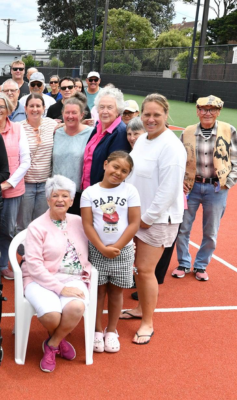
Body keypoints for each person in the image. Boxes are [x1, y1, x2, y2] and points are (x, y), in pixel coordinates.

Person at [121, 94, 186, 344]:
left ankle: (147, 322)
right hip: (138, 216)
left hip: (157, 219)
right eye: (146, 114)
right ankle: (139, 311)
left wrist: (147, 218)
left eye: (156, 115)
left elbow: (169, 190)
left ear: (166, 115)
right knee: (138, 267)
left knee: (146, 270)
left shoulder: (171, 146)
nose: (150, 119)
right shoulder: (143, 141)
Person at [21, 175, 92, 373]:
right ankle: (58, 341)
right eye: (55, 196)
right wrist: (61, 288)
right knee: (52, 316)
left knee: (76, 307)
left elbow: (100, 239)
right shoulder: (36, 227)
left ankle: (52, 344)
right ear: (48, 200)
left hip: (74, 276)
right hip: (40, 279)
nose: (60, 200)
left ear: (71, 200)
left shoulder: (79, 221)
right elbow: (34, 266)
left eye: (65, 196)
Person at [81, 151, 140, 353]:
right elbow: (87, 225)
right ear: (106, 164)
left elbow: (134, 223)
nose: (118, 173)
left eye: (125, 171)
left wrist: (118, 246)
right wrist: (101, 247)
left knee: (116, 292)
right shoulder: (89, 193)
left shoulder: (130, 191)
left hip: (122, 252)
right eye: (116, 167)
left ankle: (112, 330)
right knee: (97, 292)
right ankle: (97, 330)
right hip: (97, 251)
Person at [175, 95, 237, 281]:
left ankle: (201, 265)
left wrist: (228, 181)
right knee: (183, 227)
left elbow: (235, 159)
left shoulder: (229, 131)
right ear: (197, 111)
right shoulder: (187, 131)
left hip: (216, 188)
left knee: (211, 230)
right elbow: (177, 159)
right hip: (191, 187)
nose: (207, 113)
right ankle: (183, 263)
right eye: (203, 109)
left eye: (212, 110)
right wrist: (180, 182)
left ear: (218, 111)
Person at [0, 93, 30, 280]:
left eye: (2, 107)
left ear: (9, 110)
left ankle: (3, 264)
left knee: (7, 230)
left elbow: (25, 161)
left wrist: (8, 183)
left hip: (12, 191)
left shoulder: (18, 129)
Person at [17, 93, 59, 236]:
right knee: (23, 224)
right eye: (31, 106)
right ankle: (22, 256)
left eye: (38, 106)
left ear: (44, 108)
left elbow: (67, 126)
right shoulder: (18, 127)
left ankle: (38, 254)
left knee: (41, 223)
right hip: (26, 183)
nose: (35, 109)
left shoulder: (51, 124)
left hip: (45, 183)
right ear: (25, 108)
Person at [81, 86, 131, 193]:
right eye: (102, 107)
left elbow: (116, 170)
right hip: (89, 190)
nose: (105, 111)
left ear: (118, 110)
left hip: (104, 194)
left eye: (109, 107)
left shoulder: (120, 133)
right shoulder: (98, 127)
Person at [52, 94, 93, 215]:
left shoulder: (90, 133)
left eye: (74, 113)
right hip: (57, 192)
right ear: (62, 113)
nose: (70, 116)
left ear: (82, 115)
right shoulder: (56, 133)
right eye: (67, 112)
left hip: (79, 194)